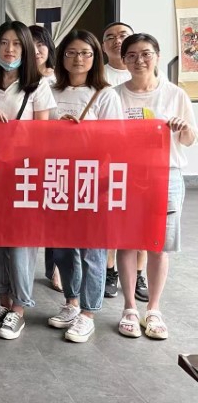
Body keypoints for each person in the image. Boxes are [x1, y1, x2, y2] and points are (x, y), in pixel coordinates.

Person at [0, 21, 56, 340]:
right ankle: (3, 301)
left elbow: (43, 137)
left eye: (17, 44)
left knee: (20, 244)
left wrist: (14, 134)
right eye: (4, 43)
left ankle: (19, 309)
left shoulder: (38, 87)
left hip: (24, 177)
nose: (10, 50)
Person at [115, 33, 196, 340]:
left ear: (157, 56)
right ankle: (129, 308)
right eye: (132, 55)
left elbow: (189, 139)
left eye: (146, 54)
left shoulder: (175, 94)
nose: (139, 60)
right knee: (126, 242)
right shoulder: (115, 95)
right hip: (126, 176)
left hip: (166, 176)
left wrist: (183, 128)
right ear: (124, 60)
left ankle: (154, 309)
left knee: (158, 246)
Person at [47, 30, 123, 342]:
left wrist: (84, 134)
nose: (78, 59)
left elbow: (116, 143)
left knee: (92, 249)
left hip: (93, 180)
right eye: (71, 52)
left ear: (95, 58)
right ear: (61, 56)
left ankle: (89, 313)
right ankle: (72, 302)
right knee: (63, 248)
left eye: (85, 53)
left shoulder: (105, 95)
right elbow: (35, 133)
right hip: (58, 177)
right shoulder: (49, 90)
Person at [100, 21, 146, 301]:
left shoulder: (146, 73)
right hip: (109, 161)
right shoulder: (100, 76)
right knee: (111, 220)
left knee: (139, 221)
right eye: (110, 37)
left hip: (142, 163)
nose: (117, 41)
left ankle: (138, 273)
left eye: (123, 36)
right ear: (103, 45)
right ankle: (110, 271)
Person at [29, 25, 61, 293]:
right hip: (28, 159)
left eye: (41, 44)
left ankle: (56, 267)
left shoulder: (60, 79)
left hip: (57, 157)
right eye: (30, 44)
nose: (36, 50)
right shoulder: (19, 80)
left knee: (55, 213)